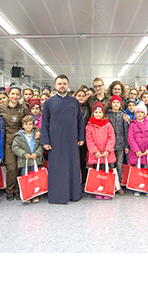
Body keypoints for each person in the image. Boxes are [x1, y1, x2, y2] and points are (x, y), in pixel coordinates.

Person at [40, 75, 85, 204]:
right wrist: (45, 141)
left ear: (68, 85)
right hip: (55, 141)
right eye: (59, 83)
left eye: (64, 83)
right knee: (57, 168)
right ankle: (58, 196)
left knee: (73, 166)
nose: (62, 86)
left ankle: (74, 194)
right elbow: (45, 123)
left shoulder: (74, 101)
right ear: (55, 86)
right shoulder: (49, 102)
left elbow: (80, 121)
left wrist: (81, 137)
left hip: (72, 140)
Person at [0, 86, 30, 201]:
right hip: (7, 139)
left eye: (17, 94)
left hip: (21, 139)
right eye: (13, 94)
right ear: (8, 95)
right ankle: (10, 189)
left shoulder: (23, 108)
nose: (15, 96)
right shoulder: (1, 107)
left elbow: (28, 122)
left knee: (20, 165)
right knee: (11, 167)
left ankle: (18, 189)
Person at [86, 102, 117, 200]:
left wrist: (108, 150)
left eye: (100, 112)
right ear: (93, 114)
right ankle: (98, 190)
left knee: (106, 172)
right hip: (96, 155)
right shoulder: (89, 126)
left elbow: (111, 138)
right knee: (97, 173)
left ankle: (107, 190)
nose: (98, 114)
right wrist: (95, 151)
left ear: (103, 114)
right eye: (96, 112)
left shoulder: (107, 124)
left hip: (106, 154)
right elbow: (89, 140)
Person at [11, 115, 43, 204]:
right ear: (23, 126)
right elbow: (15, 147)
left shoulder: (37, 134)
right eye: (26, 124)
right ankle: (27, 195)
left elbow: (41, 145)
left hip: (35, 160)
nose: (28, 126)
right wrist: (24, 154)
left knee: (35, 178)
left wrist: (37, 154)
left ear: (33, 125)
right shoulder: (18, 136)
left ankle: (35, 195)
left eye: (30, 124)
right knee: (25, 178)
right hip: (24, 161)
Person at [127, 101, 148, 197]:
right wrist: (136, 150)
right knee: (137, 171)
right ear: (135, 114)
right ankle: (137, 187)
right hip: (137, 152)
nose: (139, 114)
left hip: (147, 152)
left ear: (145, 113)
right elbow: (130, 138)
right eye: (138, 112)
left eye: (141, 112)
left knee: (146, 170)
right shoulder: (132, 124)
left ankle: (147, 187)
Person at [106, 95, 129, 196]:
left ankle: (119, 185)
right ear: (111, 104)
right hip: (109, 145)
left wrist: (126, 145)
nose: (116, 104)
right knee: (111, 165)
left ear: (120, 104)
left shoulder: (123, 115)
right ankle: (111, 184)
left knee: (119, 165)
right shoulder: (107, 115)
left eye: (118, 102)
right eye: (114, 102)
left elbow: (126, 131)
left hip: (120, 144)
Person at [75, 89, 91, 185]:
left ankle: (84, 181)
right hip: (73, 136)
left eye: (83, 96)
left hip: (85, 136)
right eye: (79, 95)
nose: (81, 97)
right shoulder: (72, 107)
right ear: (75, 96)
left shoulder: (88, 107)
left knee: (83, 160)